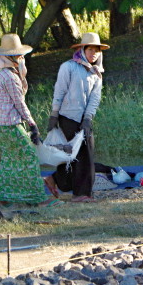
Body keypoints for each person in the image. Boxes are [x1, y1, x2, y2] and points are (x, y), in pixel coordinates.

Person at [0, 34, 51, 206]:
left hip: (3, 124)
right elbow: (20, 104)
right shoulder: (9, 76)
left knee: (10, 159)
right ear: (9, 57)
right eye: (18, 55)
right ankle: (36, 198)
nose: (21, 58)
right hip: (12, 123)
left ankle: (6, 197)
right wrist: (33, 125)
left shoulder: (1, 74)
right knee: (30, 156)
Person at [44, 32, 105, 203]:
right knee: (72, 155)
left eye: (97, 50)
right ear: (82, 49)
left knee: (87, 154)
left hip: (83, 120)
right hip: (66, 117)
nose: (94, 53)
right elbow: (60, 90)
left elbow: (95, 98)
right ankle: (79, 194)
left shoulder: (96, 73)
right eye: (90, 49)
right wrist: (54, 114)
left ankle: (58, 181)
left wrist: (88, 118)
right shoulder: (68, 67)